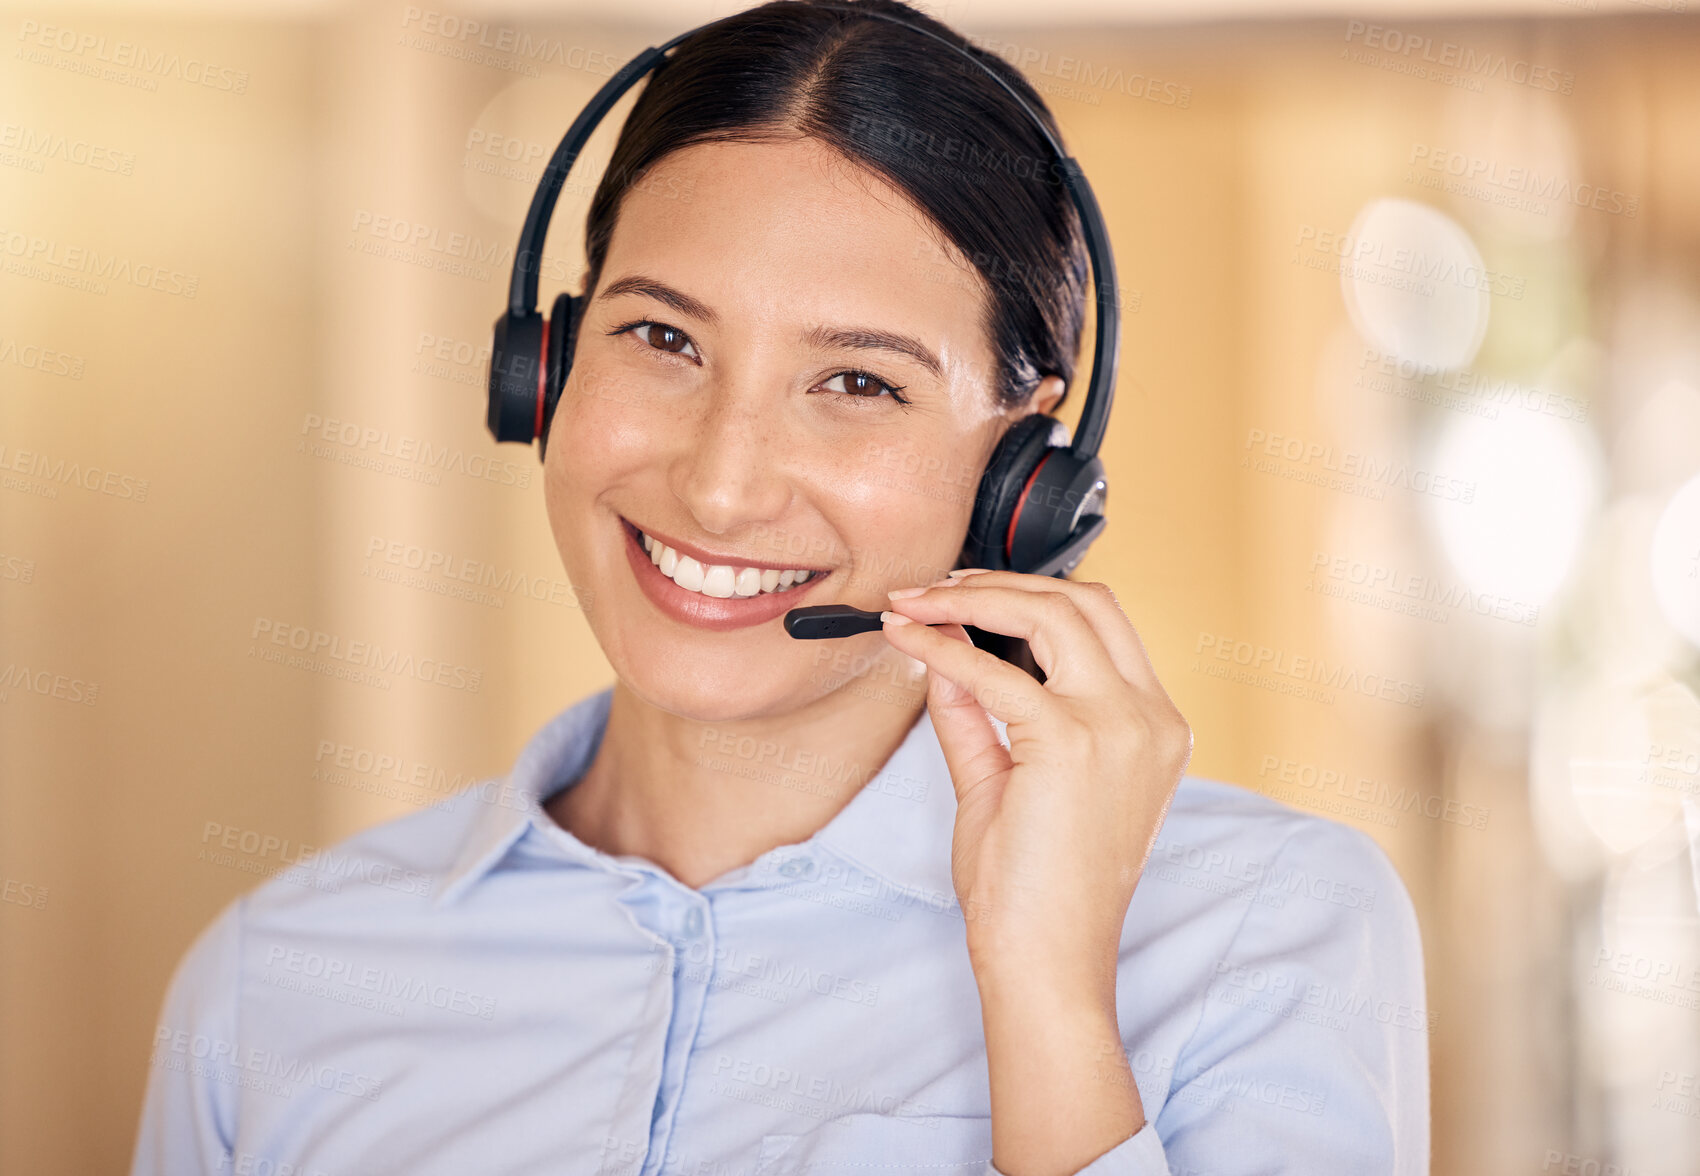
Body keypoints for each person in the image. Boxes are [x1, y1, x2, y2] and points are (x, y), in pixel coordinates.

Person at [131, 1, 1429, 1173]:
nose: (720, 487)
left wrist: (1048, 991)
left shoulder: (1263, 928)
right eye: (662, 337)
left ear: (1024, 475)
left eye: (858, 382)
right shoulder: (279, 984)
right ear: (547, 367)